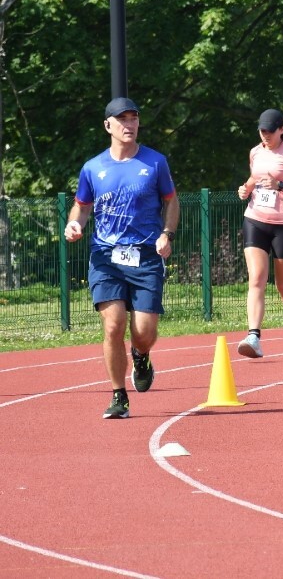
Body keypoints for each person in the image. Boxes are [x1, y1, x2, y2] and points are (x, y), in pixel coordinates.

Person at [63, 97, 180, 419]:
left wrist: (166, 235)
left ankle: (141, 355)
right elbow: (82, 205)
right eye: (122, 119)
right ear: (108, 126)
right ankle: (119, 396)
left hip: (145, 256)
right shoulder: (93, 167)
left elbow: (171, 201)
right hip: (105, 257)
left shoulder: (155, 163)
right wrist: (75, 224)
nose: (129, 125)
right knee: (113, 326)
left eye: (133, 119)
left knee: (144, 332)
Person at [235, 109, 283, 359]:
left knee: (282, 283)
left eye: (270, 131)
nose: (265, 135)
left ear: (281, 129)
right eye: (262, 131)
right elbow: (254, 177)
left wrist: (280, 185)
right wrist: (245, 188)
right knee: (257, 277)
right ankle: (253, 336)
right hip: (255, 219)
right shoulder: (255, 151)